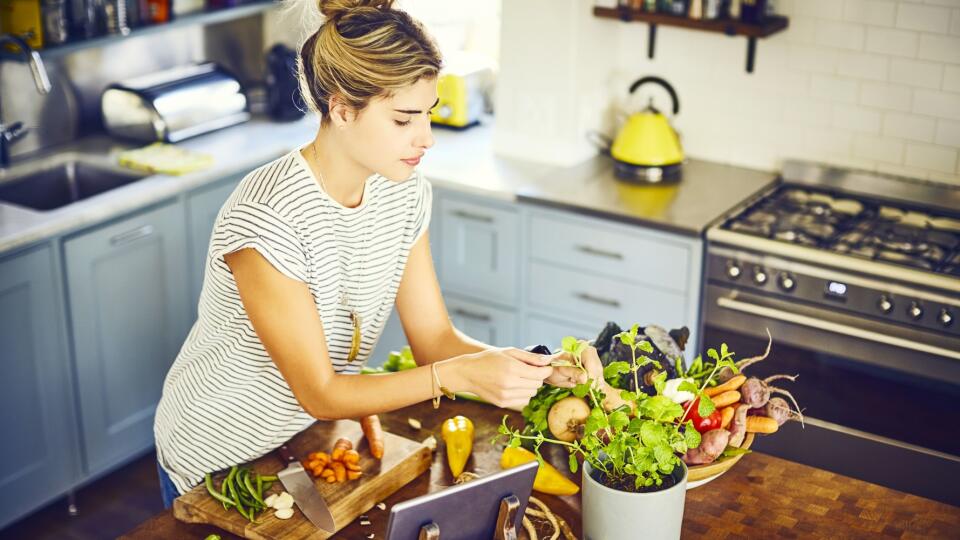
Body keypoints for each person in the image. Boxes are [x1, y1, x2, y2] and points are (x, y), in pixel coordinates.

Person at [153, 0, 586, 508]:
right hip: (214, 455)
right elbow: (320, 390)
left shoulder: (403, 191)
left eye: (428, 113)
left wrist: (538, 368)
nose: (425, 137)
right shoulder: (267, 217)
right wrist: (458, 376)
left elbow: (434, 340)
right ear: (340, 109)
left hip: (298, 441)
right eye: (403, 119)